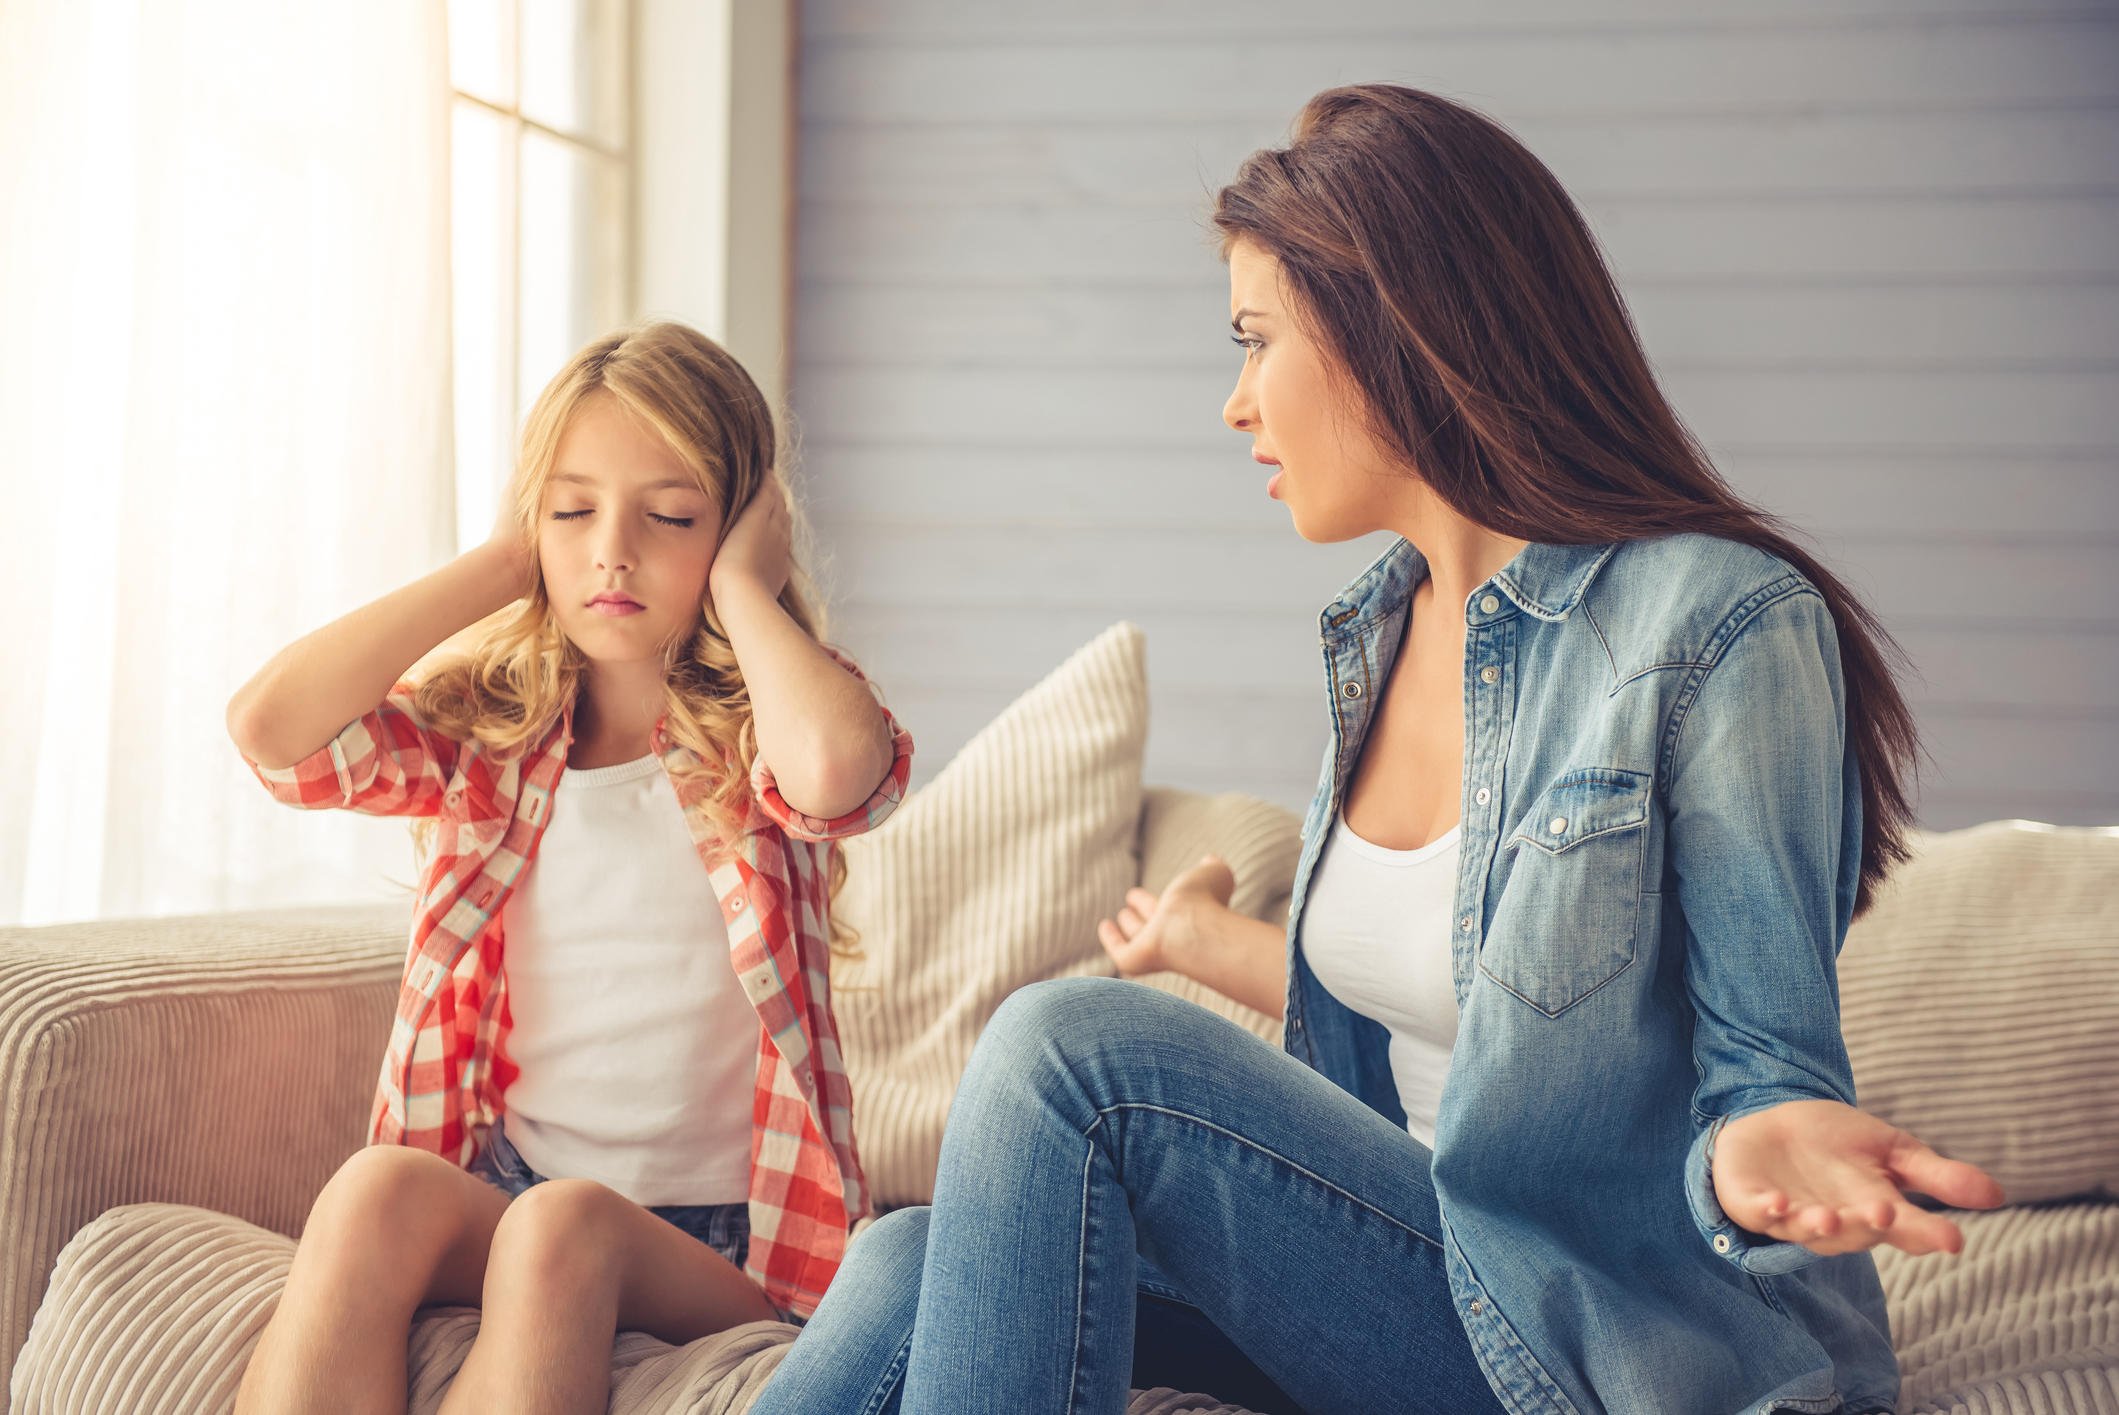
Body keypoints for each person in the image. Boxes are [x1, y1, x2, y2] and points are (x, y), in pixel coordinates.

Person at [751, 85, 2003, 1415]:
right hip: (1413, 1279)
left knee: (1073, 1048)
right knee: (903, 1258)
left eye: (1253, 341)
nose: (1232, 403)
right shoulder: (1378, 631)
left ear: (1386, 325)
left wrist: (1762, 1143)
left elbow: (1764, 1070)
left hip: (1597, 1327)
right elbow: (1430, 1007)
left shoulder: (1713, 620)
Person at [226, 321, 913, 1415]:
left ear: (740, 526)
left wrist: (744, 587)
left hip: (721, 1245)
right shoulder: (490, 743)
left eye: (672, 514)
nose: (613, 551)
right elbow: (274, 730)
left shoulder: (757, 742)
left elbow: (839, 769)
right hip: (515, 1182)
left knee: (567, 1225)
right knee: (371, 1191)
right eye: (572, 509)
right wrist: (501, 564)